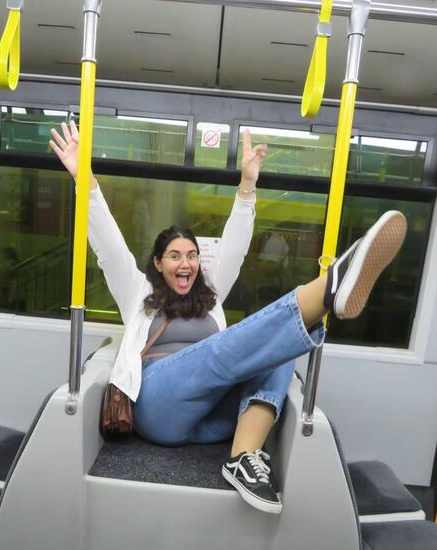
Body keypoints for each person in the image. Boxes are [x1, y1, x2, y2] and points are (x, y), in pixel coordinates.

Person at [50, 122, 407, 513]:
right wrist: (84, 179)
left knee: (280, 349)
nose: (185, 263)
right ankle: (328, 289)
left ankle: (242, 457)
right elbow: (108, 245)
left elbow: (235, 246)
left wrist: (247, 185)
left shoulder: (211, 293)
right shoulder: (138, 292)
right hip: (159, 405)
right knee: (222, 350)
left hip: (213, 418)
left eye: (191, 256)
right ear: (158, 263)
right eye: (174, 256)